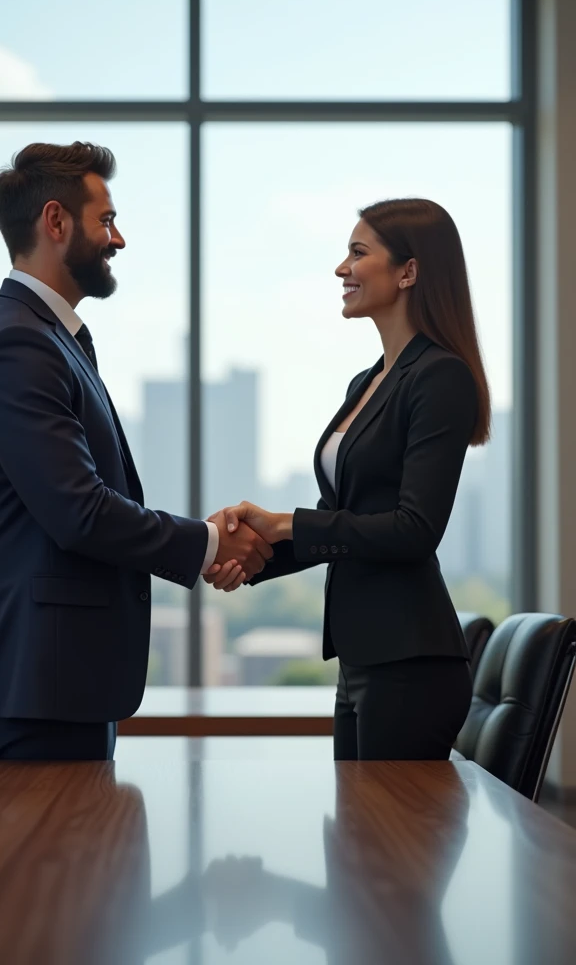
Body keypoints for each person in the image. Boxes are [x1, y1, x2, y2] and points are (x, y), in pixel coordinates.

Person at [0, 141, 272, 761]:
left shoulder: (45, 337)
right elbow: (81, 511)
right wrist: (207, 544)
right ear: (55, 221)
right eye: (107, 220)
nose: (117, 240)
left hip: (60, 678)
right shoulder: (18, 345)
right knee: (56, 859)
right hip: (40, 681)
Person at [206, 197, 490, 761]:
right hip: (363, 658)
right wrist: (250, 558)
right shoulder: (367, 381)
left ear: (409, 271)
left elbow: (414, 530)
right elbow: (343, 519)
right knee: (357, 846)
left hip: (410, 664)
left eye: (358, 253)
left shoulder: (439, 377)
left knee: (385, 847)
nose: (342, 269)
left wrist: (286, 523)